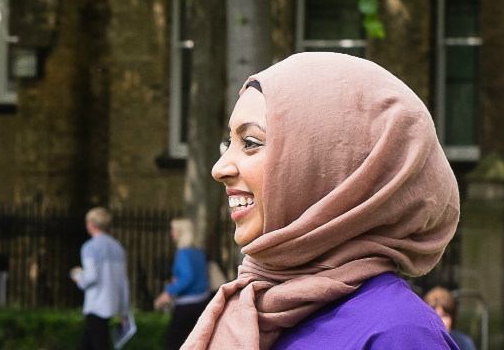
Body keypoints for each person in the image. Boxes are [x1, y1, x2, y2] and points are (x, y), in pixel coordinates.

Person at [183, 53, 459, 349]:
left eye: (250, 142)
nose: (219, 168)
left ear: (329, 166)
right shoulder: (255, 309)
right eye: (229, 143)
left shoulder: (399, 333)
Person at [70, 207, 130, 350]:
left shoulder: (89, 247)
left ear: (91, 223)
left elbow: (91, 276)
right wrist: (124, 309)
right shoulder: (118, 247)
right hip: (112, 303)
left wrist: (77, 275)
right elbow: (123, 281)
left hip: (96, 304)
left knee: (99, 344)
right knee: (87, 343)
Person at [154, 218, 208, 350]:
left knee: (174, 342)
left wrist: (168, 292)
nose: (171, 233)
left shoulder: (183, 253)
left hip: (186, 305)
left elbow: (186, 277)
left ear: (180, 232)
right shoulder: (199, 251)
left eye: (173, 230)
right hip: (202, 302)